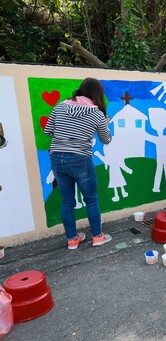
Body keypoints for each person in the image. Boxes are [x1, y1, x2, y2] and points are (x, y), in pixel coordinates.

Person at [44, 78, 112, 250]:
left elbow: (48, 131)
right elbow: (106, 139)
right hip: (80, 158)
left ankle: (72, 239)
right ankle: (97, 237)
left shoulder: (60, 106)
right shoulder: (96, 114)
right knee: (91, 199)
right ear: (97, 94)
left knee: (67, 201)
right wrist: (105, 124)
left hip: (57, 157)